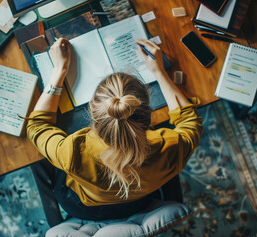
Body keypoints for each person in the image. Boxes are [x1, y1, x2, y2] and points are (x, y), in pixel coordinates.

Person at [26, 38, 203, 225]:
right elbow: (190, 121)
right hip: (137, 203)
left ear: (93, 113)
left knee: (38, 161)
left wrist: (59, 71)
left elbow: (37, 126)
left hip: (83, 205)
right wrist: (158, 71)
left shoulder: (72, 152)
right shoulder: (172, 148)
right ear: (148, 115)